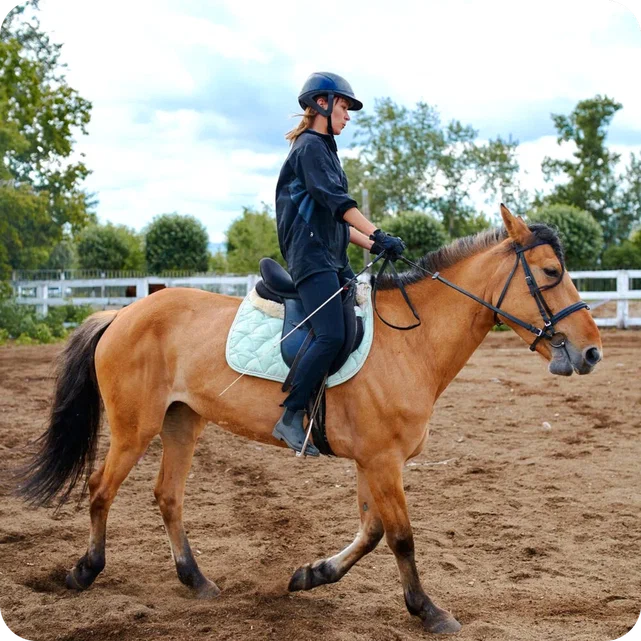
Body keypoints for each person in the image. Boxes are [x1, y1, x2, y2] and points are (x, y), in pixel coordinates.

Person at [272, 71, 406, 456]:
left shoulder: (327, 151)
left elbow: (337, 221)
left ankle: (324, 412)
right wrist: (378, 232)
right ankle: (289, 416)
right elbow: (339, 204)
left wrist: (373, 243)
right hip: (310, 258)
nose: (348, 116)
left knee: (348, 334)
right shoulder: (309, 147)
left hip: (332, 256)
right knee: (331, 335)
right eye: (344, 107)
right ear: (322, 104)